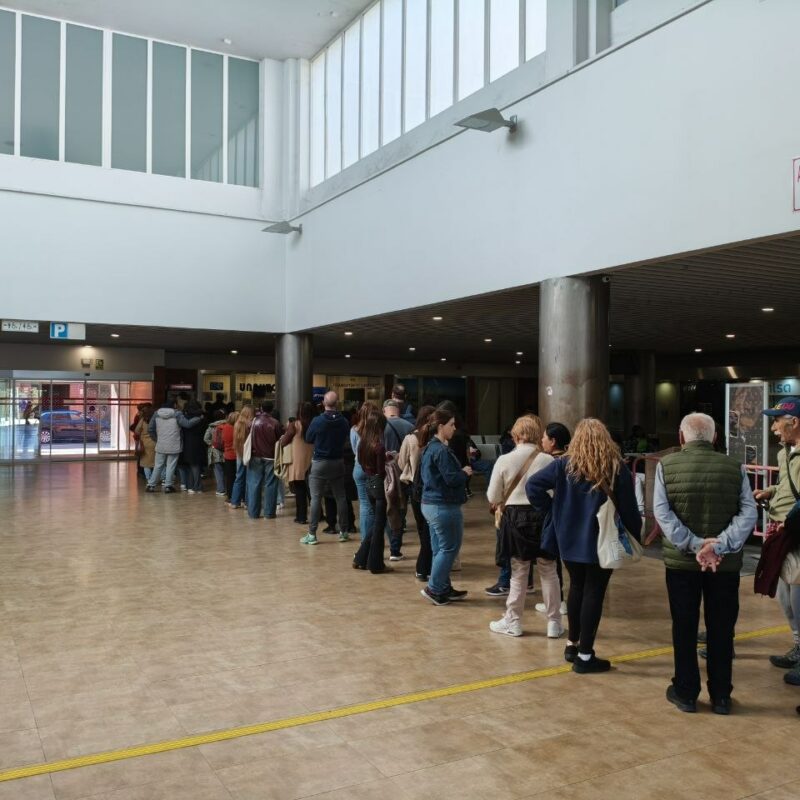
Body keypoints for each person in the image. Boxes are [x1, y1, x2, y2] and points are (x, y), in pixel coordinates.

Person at [654, 413, 757, 714]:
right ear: (714, 438)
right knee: (722, 627)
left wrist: (696, 544)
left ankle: (686, 692)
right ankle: (721, 695)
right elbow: (748, 513)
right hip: (724, 566)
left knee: (684, 626)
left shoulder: (666, 466)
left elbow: (662, 513)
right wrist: (719, 544)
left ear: (681, 437)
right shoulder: (734, 467)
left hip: (682, 565)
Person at [526, 418, 641, 672]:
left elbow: (532, 486)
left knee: (576, 587)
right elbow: (629, 508)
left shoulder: (564, 465)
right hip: (602, 540)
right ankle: (586, 656)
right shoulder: (615, 468)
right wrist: (635, 535)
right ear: (605, 439)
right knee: (594, 593)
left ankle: (572, 644)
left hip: (568, 539)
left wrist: (553, 512)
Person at [487, 415, 562, 638]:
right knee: (549, 570)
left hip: (515, 518)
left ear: (516, 435)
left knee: (519, 571)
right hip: (544, 516)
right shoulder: (549, 461)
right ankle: (554, 623)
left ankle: (514, 621)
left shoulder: (504, 460)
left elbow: (493, 495)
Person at [755, 398, 800, 686]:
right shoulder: (787, 452)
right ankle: (798, 646)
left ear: (794, 422)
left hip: (795, 530)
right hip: (784, 531)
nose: (773, 428)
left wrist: (791, 521)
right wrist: (770, 491)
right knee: (785, 595)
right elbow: (788, 485)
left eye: (777, 421)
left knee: (797, 594)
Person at [419, 406, 472, 605]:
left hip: (431, 504)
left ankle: (442, 587)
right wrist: (465, 472)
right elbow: (451, 478)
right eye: (451, 424)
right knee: (450, 547)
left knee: (439, 549)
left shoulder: (430, 448)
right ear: (441, 427)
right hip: (443, 506)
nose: (454, 427)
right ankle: (434, 588)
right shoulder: (440, 450)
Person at [301, 391, 351, 545]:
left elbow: (308, 438)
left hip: (320, 463)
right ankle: (343, 531)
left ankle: (312, 534)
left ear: (323, 403)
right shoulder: (343, 422)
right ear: (337, 403)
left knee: (316, 498)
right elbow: (346, 439)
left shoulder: (318, 421)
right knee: (340, 497)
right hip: (337, 462)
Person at [535, 421, 572, 617]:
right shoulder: (571, 461)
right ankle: (562, 601)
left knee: (551, 561)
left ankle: (558, 602)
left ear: (553, 441)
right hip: (571, 517)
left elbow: (534, 486)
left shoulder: (552, 462)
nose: (542, 440)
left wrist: (546, 506)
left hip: (554, 516)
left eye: (544, 437)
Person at [398, 405, 436, 581]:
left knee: (422, 527)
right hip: (433, 488)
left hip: (415, 487)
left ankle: (424, 563)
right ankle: (429, 562)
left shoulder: (410, 438)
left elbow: (400, 462)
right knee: (432, 528)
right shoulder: (436, 439)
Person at [352, 411, 393, 573]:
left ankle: (361, 557)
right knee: (379, 526)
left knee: (376, 524)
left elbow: (363, 464)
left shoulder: (363, 444)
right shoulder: (379, 446)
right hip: (379, 488)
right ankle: (376, 564)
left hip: (369, 484)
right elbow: (382, 472)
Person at [145, 400, 202, 493]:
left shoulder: (157, 414)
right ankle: (168, 486)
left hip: (161, 444)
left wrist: (156, 439)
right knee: (171, 466)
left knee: (158, 465)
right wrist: (198, 418)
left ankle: (151, 485)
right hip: (174, 444)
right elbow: (187, 424)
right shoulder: (177, 414)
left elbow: (150, 429)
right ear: (174, 405)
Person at [383, 399, 414, 559]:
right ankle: (395, 549)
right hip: (403, 475)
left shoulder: (381, 427)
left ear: (384, 411)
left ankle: (386, 543)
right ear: (398, 411)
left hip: (385, 475)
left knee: (387, 510)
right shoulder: (409, 427)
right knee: (400, 510)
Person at [246, 401, 283, 519]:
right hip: (271, 457)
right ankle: (269, 513)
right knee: (271, 484)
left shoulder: (253, 422)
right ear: (271, 410)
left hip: (255, 456)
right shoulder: (275, 423)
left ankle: (253, 512)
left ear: (261, 408)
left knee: (254, 484)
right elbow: (279, 439)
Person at [280, 402, 315, 525]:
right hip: (312, 459)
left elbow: (284, 441)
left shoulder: (295, 425)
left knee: (300, 489)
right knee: (312, 490)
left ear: (299, 412)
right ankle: (318, 514)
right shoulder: (315, 423)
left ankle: (301, 516)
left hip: (297, 460)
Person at [352, 402, 380, 543]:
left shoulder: (354, 430)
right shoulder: (378, 430)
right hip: (374, 468)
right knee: (379, 504)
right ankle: (375, 538)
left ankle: (365, 539)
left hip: (358, 467)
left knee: (364, 504)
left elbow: (354, 450)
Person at [227, 403, 254, 509]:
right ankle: (247, 502)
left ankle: (235, 501)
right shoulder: (250, 424)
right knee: (248, 478)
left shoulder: (237, 423)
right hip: (248, 453)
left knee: (238, 477)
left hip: (239, 452)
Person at [178, 400, 207, 493]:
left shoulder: (185, 417)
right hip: (198, 443)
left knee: (190, 465)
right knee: (196, 465)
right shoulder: (202, 418)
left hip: (186, 443)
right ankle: (197, 487)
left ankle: (190, 486)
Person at [203, 409, 227, 496]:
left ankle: (221, 490)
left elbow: (206, 438)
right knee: (227, 472)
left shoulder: (211, 426)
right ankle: (229, 489)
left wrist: (212, 444)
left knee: (218, 471)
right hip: (227, 451)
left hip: (215, 452)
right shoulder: (228, 425)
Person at [134, 405, 156, 484]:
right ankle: (155, 478)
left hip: (145, 444)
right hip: (155, 442)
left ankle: (148, 478)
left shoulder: (143, 420)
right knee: (155, 462)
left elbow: (137, 430)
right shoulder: (156, 420)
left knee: (146, 463)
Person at [221, 411, 238, 500]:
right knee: (238, 478)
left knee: (229, 478)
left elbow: (223, 440)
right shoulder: (237, 428)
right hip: (236, 455)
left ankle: (230, 496)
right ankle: (238, 496)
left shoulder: (225, 427)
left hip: (227, 455)